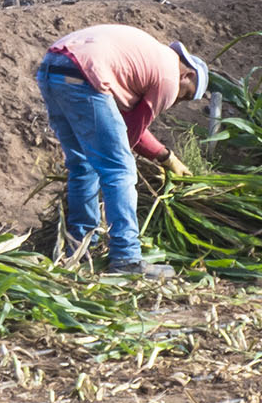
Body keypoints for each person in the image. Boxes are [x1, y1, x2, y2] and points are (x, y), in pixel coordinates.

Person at [36, 24, 208, 279]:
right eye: (186, 96)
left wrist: (166, 156)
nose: (178, 101)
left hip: (53, 70)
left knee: (83, 164)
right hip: (84, 74)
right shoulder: (170, 78)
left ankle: (80, 247)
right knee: (120, 169)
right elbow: (129, 136)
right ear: (189, 76)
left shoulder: (149, 58)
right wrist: (165, 159)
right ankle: (127, 257)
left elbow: (122, 126)